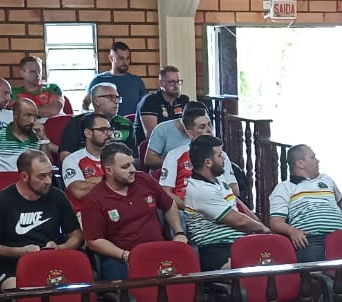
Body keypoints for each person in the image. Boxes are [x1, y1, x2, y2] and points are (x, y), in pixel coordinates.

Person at [0, 151, 83, 288]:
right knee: (23, 292)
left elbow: (77, 236)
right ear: (24, 176)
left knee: (78, 287)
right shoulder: (2, 201)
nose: (48, 181)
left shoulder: (58, 197)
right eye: (42, 177)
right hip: (14, 264)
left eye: (50, 175)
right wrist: (19, 251)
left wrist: (61, 248)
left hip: (51, 260)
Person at [82, 143, 187, 281]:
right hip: (120, 257)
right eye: (125, 167)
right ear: (109, 170)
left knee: (185, 271)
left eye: (132, 164)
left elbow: (168, 204)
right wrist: (125, 255)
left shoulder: (144, 180)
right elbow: (94, 241)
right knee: (119, 281)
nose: (132, 170)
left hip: (157, 248)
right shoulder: (95, 199)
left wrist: (179, 233)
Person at [183, 136, 270, 271]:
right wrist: (264, 229)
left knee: (274, 259)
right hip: (216, 249)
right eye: (219, 155)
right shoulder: (200, 190)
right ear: (208, 162)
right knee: (259, 269)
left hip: (239, 243)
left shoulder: (219, 179)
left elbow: (238, 206)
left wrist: (261, 228)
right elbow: (239, 221)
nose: (224, 158)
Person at [268, 144, 342, 262]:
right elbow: (275, 222)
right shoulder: (284, 188)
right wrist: (292, 231)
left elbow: (340, 201)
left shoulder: (326, 179)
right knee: (319, 276)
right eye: (313, 157)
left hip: (341, 237)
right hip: (312, 240)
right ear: (300, 163)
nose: (318, 161)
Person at [160, 108, 231, 199]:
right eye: (202, 127)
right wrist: (192, 208)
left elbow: (233, 189)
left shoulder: (221, 155)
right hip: (184, 208)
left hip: (219, 203)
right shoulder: (174, 155)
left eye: (209, 125)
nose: (209, 130)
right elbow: (166, 193)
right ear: (190, 133)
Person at [0, 98, 54, 176]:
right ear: (15, 115)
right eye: (28, 115)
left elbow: (47, 167)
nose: (32, 121)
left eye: (35, 116)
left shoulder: (37, 137)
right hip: (1, 184)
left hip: (28, 185)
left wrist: (43, 138)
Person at [58, 83, 134, 161]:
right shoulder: (78, 122)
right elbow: (65, 157)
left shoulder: (126, 124)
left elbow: (135, 158)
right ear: (97, 101)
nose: (116, 102)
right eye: (111, 97)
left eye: (117, 98)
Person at [85, 41, 147, 115]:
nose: (125, 62)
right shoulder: (98, 80)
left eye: (127, 58)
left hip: (131, 125)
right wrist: (89, 120)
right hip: (106, 125)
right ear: (111, 58)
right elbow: (85, 103)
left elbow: (146, 106)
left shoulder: (136, 81)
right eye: (121, 58)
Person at [61, 112, 111, 202]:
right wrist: (113, 180)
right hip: (84, 211)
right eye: (103, 130)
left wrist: (90, 180)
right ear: (88, 133)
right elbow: (79, 191)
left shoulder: (118, 156)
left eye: (109, 129)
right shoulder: (72, 160)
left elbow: (129, 181)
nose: (109, 133)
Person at [144, 102, 209, 170]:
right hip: (166, 174)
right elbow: (149, 160)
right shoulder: (162, 129)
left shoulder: (207, 130)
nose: (207, 128)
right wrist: (177, 163)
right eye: (201, 126)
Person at [135, 65, 189, 140]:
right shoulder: (150, 101)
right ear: (161, 83)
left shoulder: (183, 100)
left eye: (178, 81)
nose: (176, 85)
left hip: (178, 146)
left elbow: (190, 128)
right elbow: (153, 136)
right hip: (151, 149)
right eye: (171, 82)